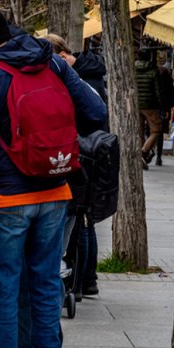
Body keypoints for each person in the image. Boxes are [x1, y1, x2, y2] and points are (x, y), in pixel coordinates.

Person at [0, 3, 107, 348]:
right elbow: (96, 110)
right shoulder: (53, 63)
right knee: (46, 280)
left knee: (5, 285)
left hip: (8, 196)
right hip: (56, 191)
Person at [46, 34, 108, 297]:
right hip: (84, 156)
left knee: (81, 223)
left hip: (82, 157)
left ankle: (80, 282)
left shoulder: (80, 80)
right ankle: (84, 281)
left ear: (61, 57)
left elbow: (92, 117)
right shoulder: (87, 72)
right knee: (82, 222)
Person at [136, 50, 162, 169]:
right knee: (156, 130)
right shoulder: (153, 71)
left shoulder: (133, 69)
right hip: (151, 105)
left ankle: (141, 156)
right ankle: (144, 151)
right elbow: (158, 91)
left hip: (136, 104)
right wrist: (160, 104)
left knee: (139, 131)